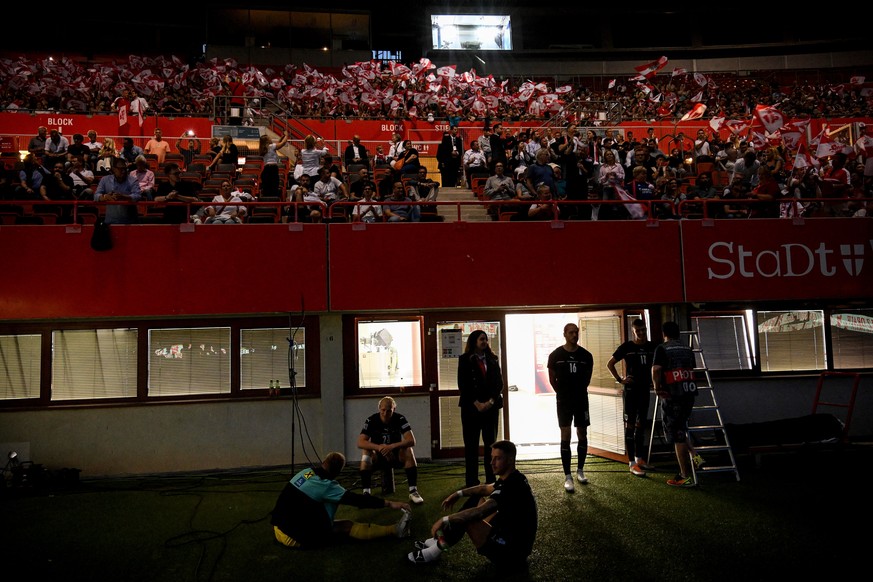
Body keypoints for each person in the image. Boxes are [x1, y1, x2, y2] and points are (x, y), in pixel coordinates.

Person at [407, 440, 537, 572]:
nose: (492, 462)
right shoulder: (514, 477)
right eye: (492, 458)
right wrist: (459, 493)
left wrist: (445, 519)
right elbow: (485, 489)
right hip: (510, 534)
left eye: (497, 458)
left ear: (510, 460)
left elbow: (480, 512)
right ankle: (438, 542)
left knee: (467, 518)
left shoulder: (511, 486)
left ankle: (434, 551)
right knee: (475, 500)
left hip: (511, 554)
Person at [270, 451, 412, 549]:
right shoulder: (328, 486)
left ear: (323, 462)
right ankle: (394, 530)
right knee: (345, 526)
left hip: (278, 529)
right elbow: (358, 500)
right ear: (338, 472)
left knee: (318, 505)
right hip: (293, 538)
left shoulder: (306, 472)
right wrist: (390, 503)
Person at [651, 321, 700, 488]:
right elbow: (692, 368)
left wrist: (657, 387)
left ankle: (684, 475)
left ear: (664, 333)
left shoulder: (662, 348)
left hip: (672, 395)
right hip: (689, 393)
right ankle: (696, 457)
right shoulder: (687, 349)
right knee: (681, 428)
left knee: (677, 434)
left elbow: (656, 369)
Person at [606, 318, 657, 477]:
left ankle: (639, 459)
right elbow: (610, 363)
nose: (641, 333)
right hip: (630, 392)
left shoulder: (652, 347)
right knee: (630, 426)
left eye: (643, 330)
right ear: (633, 331)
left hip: (644, 391)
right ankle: (631, 463)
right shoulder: (627, 347)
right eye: (638, 331)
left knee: (641, 425)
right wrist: (620, 379)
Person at [547, 322, 594, 492]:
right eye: (571, 332)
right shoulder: (555, 355)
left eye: (576, 332)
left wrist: (579, 390)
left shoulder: (586, 356)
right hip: (564, 400)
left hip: (581, 399)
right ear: (565, 334)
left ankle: (580, 470)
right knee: (565, 433)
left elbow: (587, 377)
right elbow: (552, 378)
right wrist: (561, 393)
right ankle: (567, 476)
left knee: (582, 432)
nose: (574, 335)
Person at [457, 330, 504, 487]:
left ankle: (491, 479)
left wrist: (490, 402)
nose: (484, 342)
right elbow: (463, 384)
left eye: (486, 339)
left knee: (490, 444)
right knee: (471, 446)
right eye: (481, 339)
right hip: (471, 409)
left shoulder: (492, 359)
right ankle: (471, 481)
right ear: (474, 341)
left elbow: (499, 384)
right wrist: (476, 403)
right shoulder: (465, 360)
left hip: (490, 408)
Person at [357, 396, 424, 504]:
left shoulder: (400, 419)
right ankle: (366, 493)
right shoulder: (371, 420)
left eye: (389, 411)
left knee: (408, 450)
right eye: (383, 410)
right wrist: (379, 447)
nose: (385, 413)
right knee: (366, 451)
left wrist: (391, 446)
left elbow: (411, 441)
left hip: (395, 455)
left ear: (394, 409)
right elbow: (360, 442)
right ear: (379, 408)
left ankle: (413, 491)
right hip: (378, 456)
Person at [94, 156, 142, 224]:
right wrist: (104, 197)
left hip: (130, 222)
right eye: (120, 169)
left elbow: (138, 195)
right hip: (110, 221)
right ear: (113, 169)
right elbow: (96, 195)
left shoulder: (133, 180)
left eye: (125, 169)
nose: (123, 171)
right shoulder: (105, 180)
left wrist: (125, 197)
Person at [259, 132, 289, 200]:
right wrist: (287, 136)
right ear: (267, 141)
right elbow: (282, 144)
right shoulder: (271, 147)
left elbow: (277, 144)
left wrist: (281, 137)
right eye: (269, 138)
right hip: (273, 169)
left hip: (266, 169)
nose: (271, 139)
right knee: (274, 187)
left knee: (267, 189)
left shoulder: (264, 149)